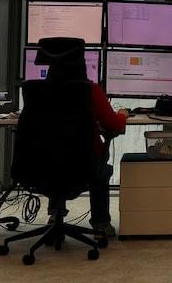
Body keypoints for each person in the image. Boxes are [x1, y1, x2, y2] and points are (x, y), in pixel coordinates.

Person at [38, 39, 128, 237]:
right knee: (99, 165)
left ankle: (55, 215)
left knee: (56, 154)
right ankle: (101, 225)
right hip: (84, 164)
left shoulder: (36, 91)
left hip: (43, 165)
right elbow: (113, 124)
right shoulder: (90, 90)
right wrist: (123, 114)